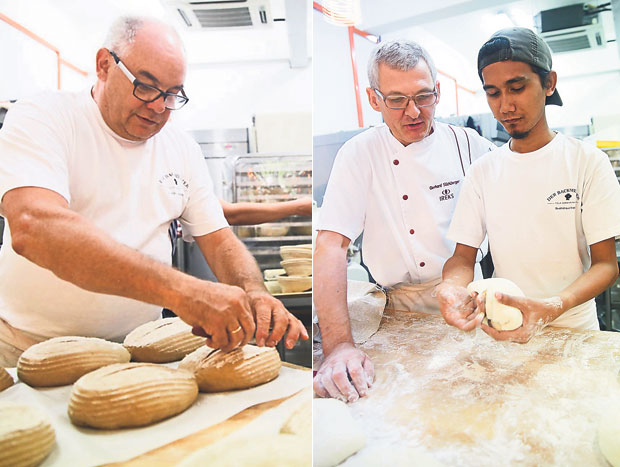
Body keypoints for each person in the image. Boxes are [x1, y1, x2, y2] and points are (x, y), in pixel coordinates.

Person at [0, 16, 307, 367]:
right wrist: (183, 292)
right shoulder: (45, 116)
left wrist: (252, 291)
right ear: (104, 65)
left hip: (138, 353)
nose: (160, 107)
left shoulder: (181, 148)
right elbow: (35, 226)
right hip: (24, 348)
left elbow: (219, 239)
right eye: (145, 86)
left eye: (173, 94)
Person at [313, 39, 495, 402]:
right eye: (396, 100)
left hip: (470, 303)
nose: (413, 111)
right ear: (373, 99)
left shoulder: (468, 144)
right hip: (402, 314)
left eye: (423, 96)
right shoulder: (359, 154)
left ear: (438, 92)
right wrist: (339, 346)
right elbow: (331, 246)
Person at [437, 27, 620, 343]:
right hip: (504, 329)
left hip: (574, 332)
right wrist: (451, 286)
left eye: (516, 88)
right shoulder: (482, 171)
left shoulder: (586, 162)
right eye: (493, 93)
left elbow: (606, 264)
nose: (505, 106)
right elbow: (462, 257)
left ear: (549, 83)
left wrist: (552, 306)